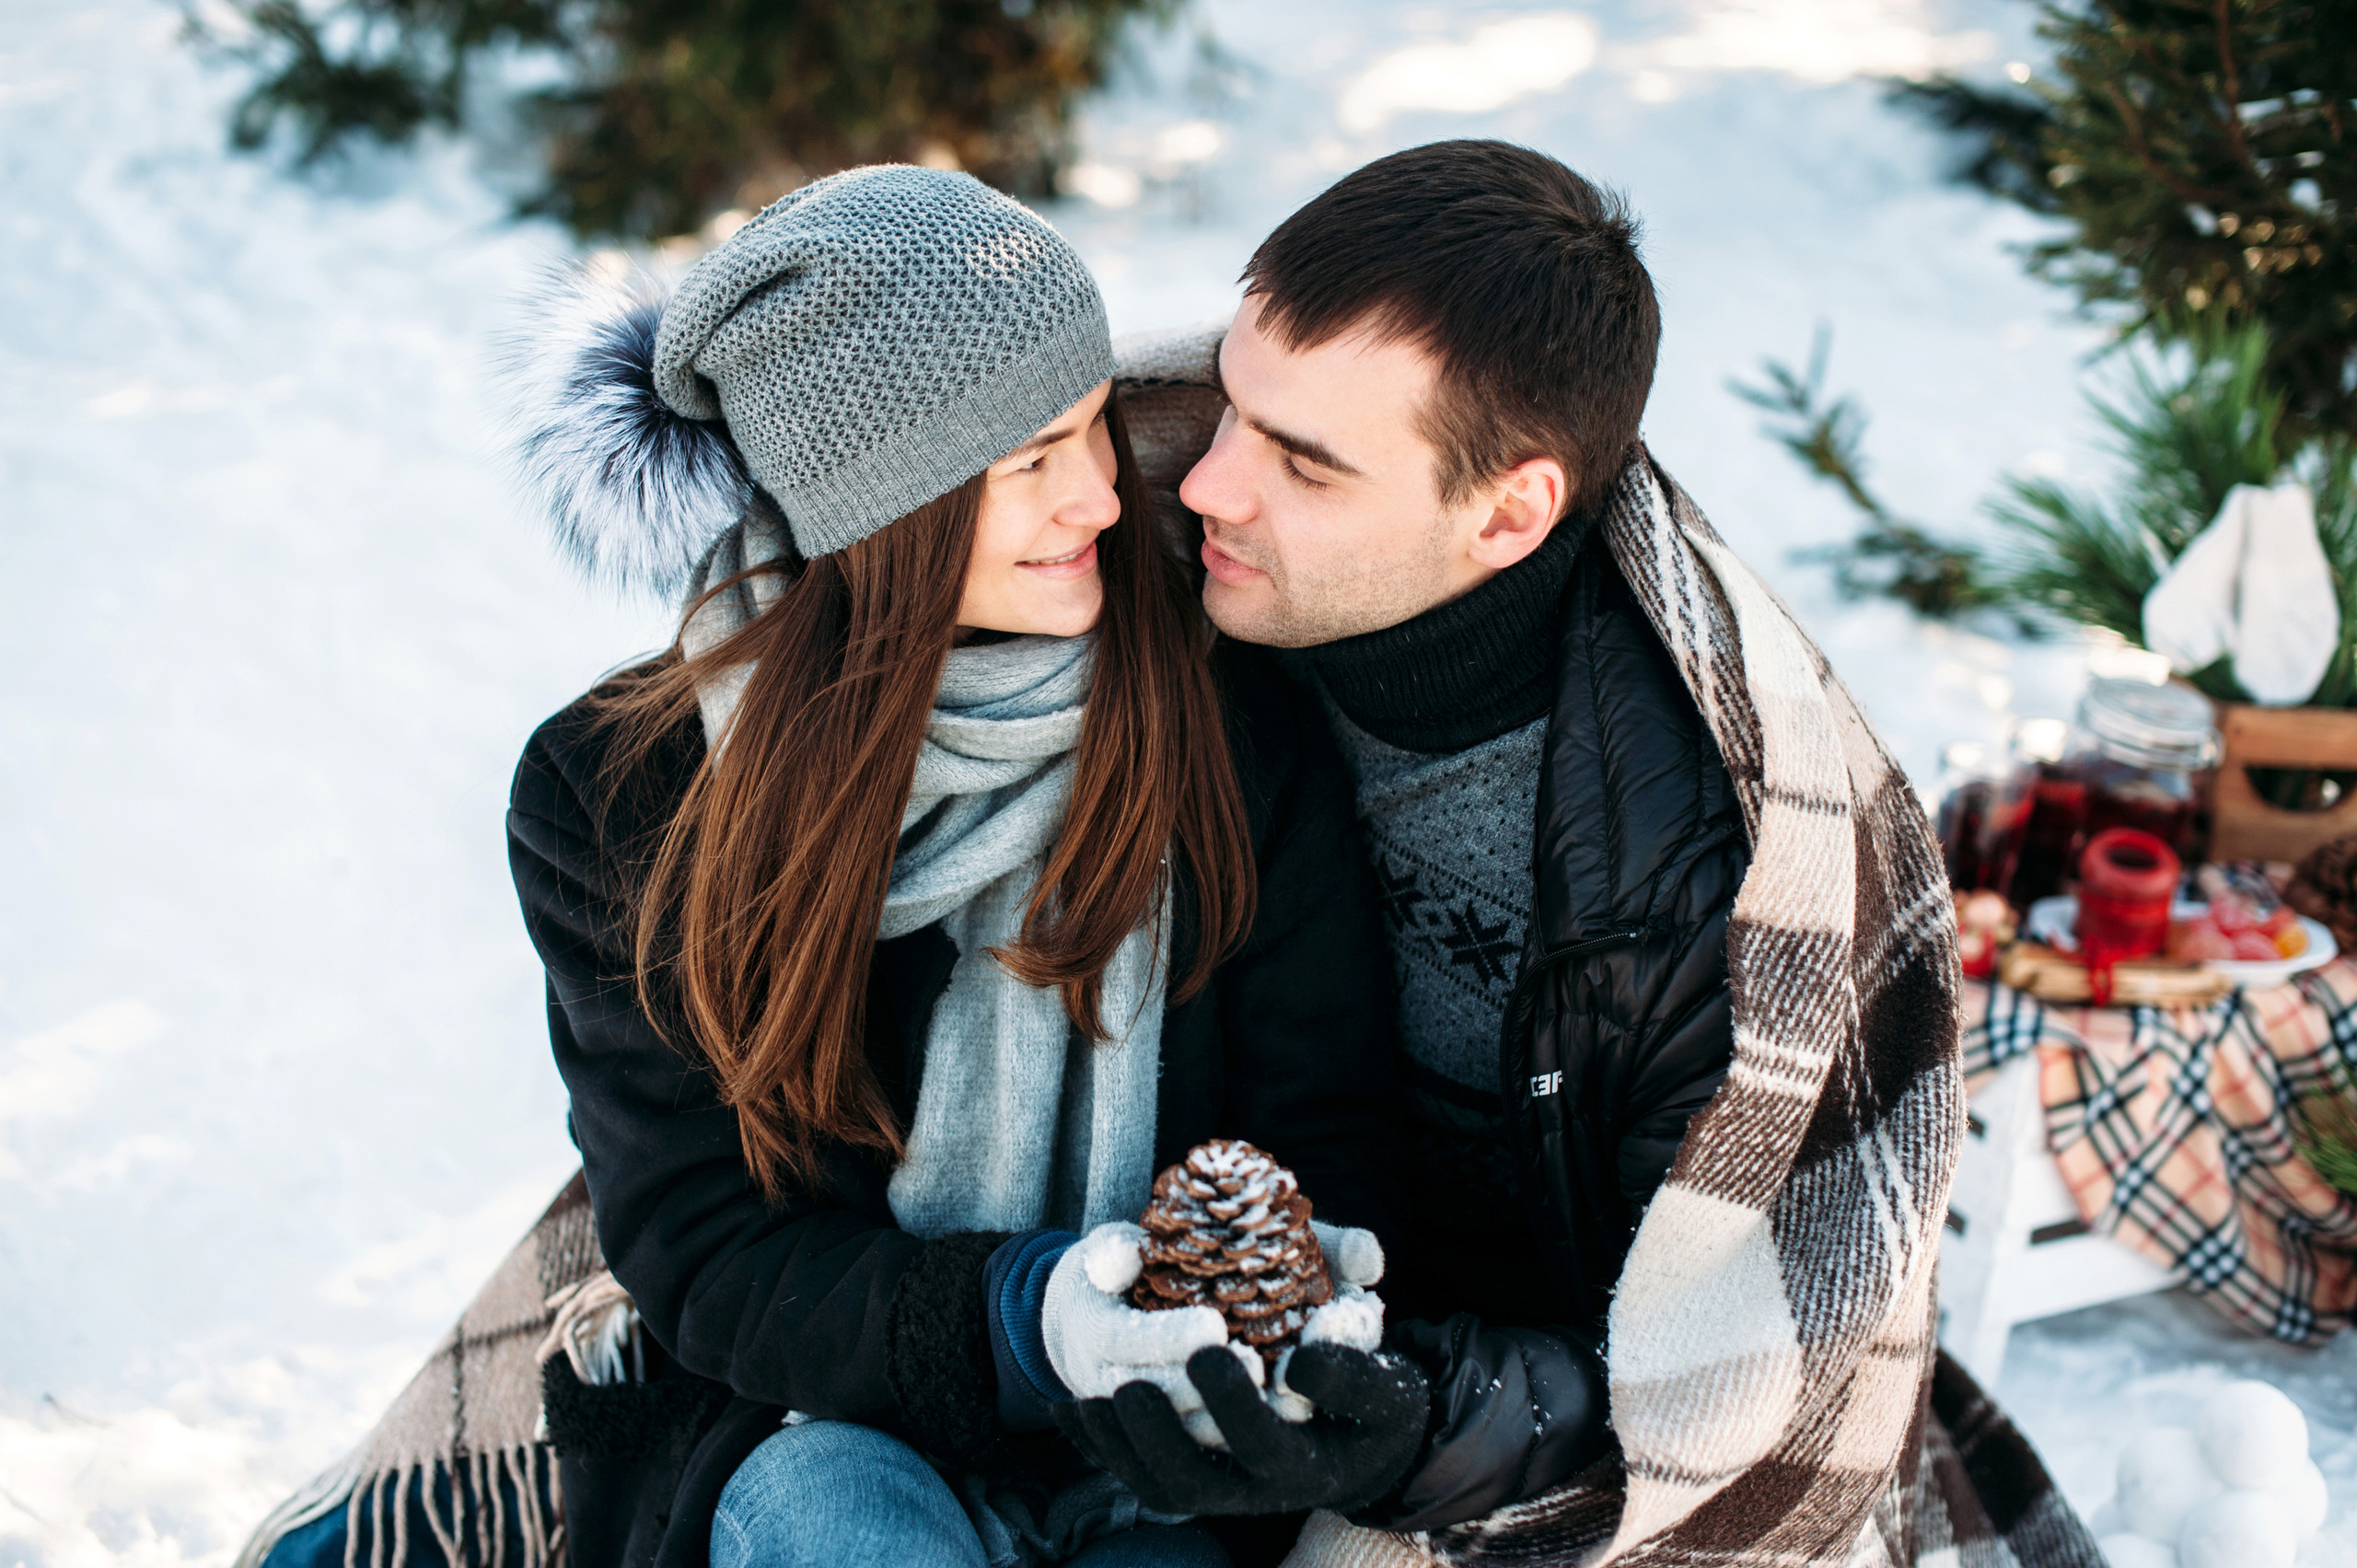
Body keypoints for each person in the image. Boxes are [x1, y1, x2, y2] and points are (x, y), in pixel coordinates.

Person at [1062, 143, 2100, 1568]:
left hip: (1519, 1408)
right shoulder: (1162, 601)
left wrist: (1428, 1426)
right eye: (1237, 406)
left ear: (1509, 513)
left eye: (1303, 462)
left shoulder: (1722, 871)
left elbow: (1703, 1367)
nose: (1210, 484)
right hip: (1167, 1288)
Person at [499, 167, 1410, 1568]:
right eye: (1026, 460)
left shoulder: (1218, 717)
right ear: (880, 506)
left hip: (1167, 1433)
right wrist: (1025, 1320)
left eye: (1094, 428)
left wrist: (1302, 1275)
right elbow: (702, 1247)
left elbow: (1323, 1114)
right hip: (818, 1426)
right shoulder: (624, 796)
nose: (1102, 497)